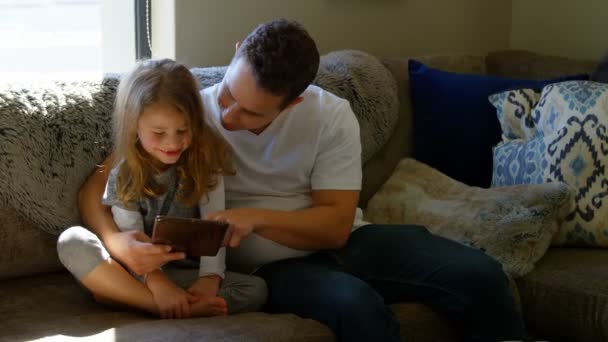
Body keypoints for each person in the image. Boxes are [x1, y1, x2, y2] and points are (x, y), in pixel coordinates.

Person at [77, 19, 527, 341]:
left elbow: (334, 228)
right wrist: (118, 245)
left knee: (481, 275)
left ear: (293, 103)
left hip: (349, 239)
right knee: (356, 307)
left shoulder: (330, 116)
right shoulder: (189, 112)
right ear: (237, 53)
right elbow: (98, 187)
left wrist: (253, 217)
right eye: (230, 93)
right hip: (271, 267)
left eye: (251, 111)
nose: (228, 115)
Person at [57, 58, 267, 319]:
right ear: (134, 127)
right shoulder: (125, 172)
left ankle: (130, 299)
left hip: (181, 272)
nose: (173, 143)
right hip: (135, 270)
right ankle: (161, 305)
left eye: (183, 130)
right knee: (72, 242)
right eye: (159, 133)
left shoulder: (205, 162)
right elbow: (131, 238)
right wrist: (157, 283)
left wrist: (210, 278)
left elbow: (216, 228)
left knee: (256, 290)